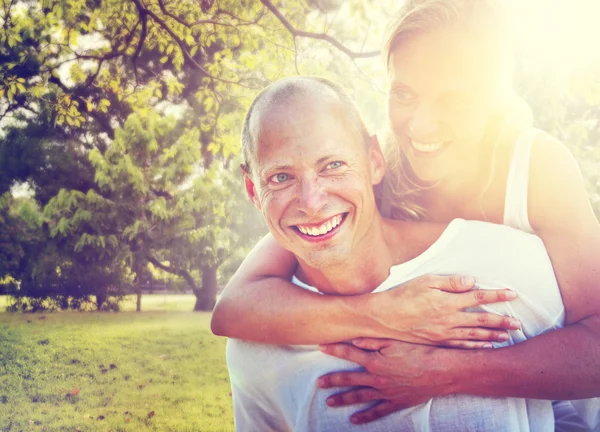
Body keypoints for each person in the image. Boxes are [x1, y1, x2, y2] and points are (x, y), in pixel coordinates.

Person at [212, 0, 600, 428]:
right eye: (404, 94)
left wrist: (443, 372)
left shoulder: (536, 169)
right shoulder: (374, 169)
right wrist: (383, 312)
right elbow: (236, 308)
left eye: (453, 100)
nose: (421, 125)